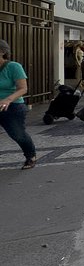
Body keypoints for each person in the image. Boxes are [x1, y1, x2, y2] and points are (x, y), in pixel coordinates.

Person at [0, 40, 37, 169]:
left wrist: (8, 100)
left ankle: (30, 156)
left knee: (17, 134)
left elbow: (23, 88)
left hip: (13, 106)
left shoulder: (13, 67)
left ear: (2, 52)